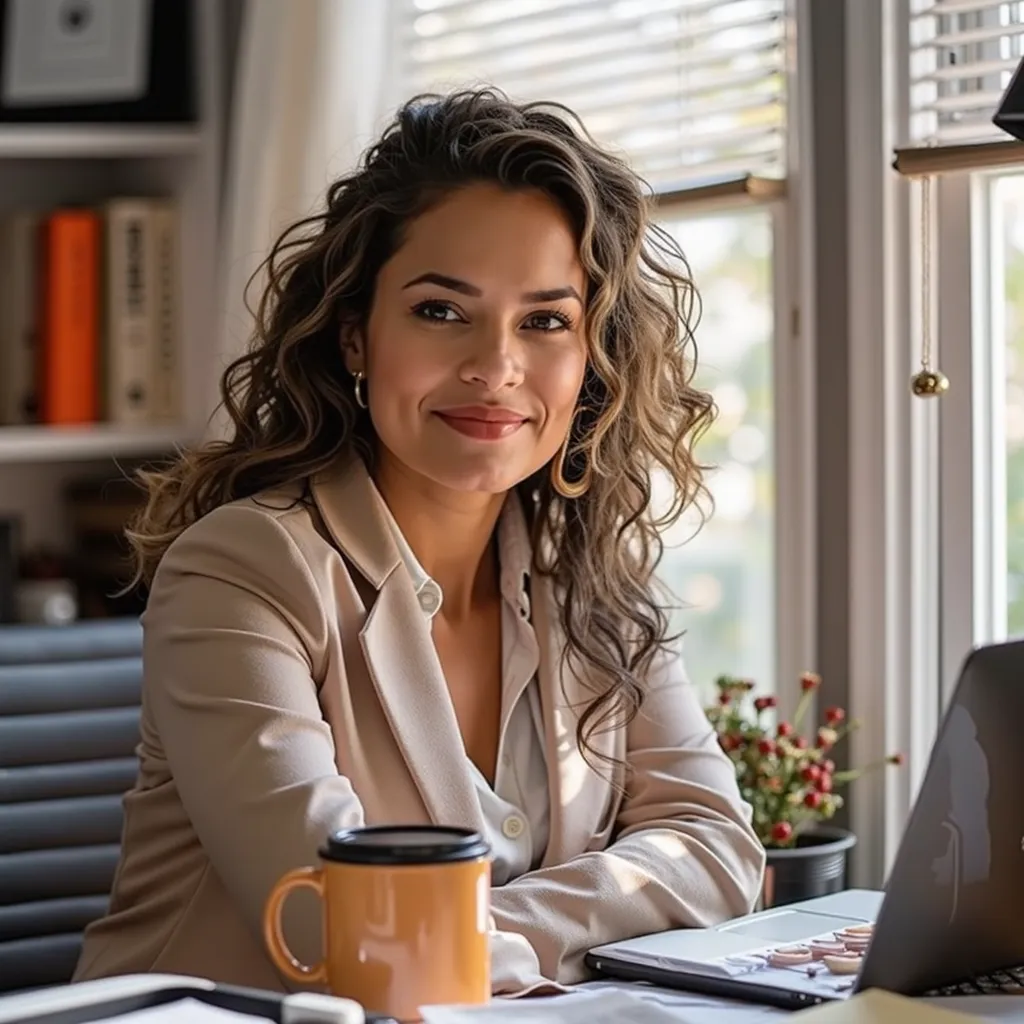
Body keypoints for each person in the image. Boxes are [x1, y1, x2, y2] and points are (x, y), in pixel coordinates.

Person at [74, 88, 765, 995]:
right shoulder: (242, 571)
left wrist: (473, 933)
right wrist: (575, 920)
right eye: (443, 310)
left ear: (592, 360)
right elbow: (337, 926)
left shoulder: (593, 579)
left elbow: (720, 854)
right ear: (356, 336)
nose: (495, 366)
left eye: (546, 320)